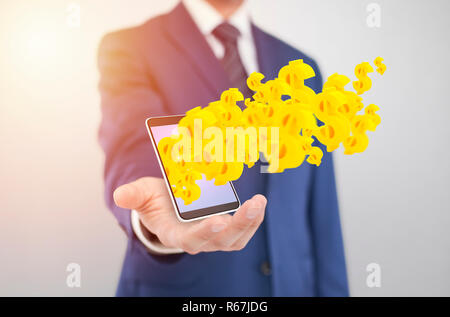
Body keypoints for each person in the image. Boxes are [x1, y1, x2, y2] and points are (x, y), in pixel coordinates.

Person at [97, 0, 348, 296]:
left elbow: (322, 211)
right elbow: (132, 142)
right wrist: (154, 216)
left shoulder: (302, 68)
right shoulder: (131, 47)